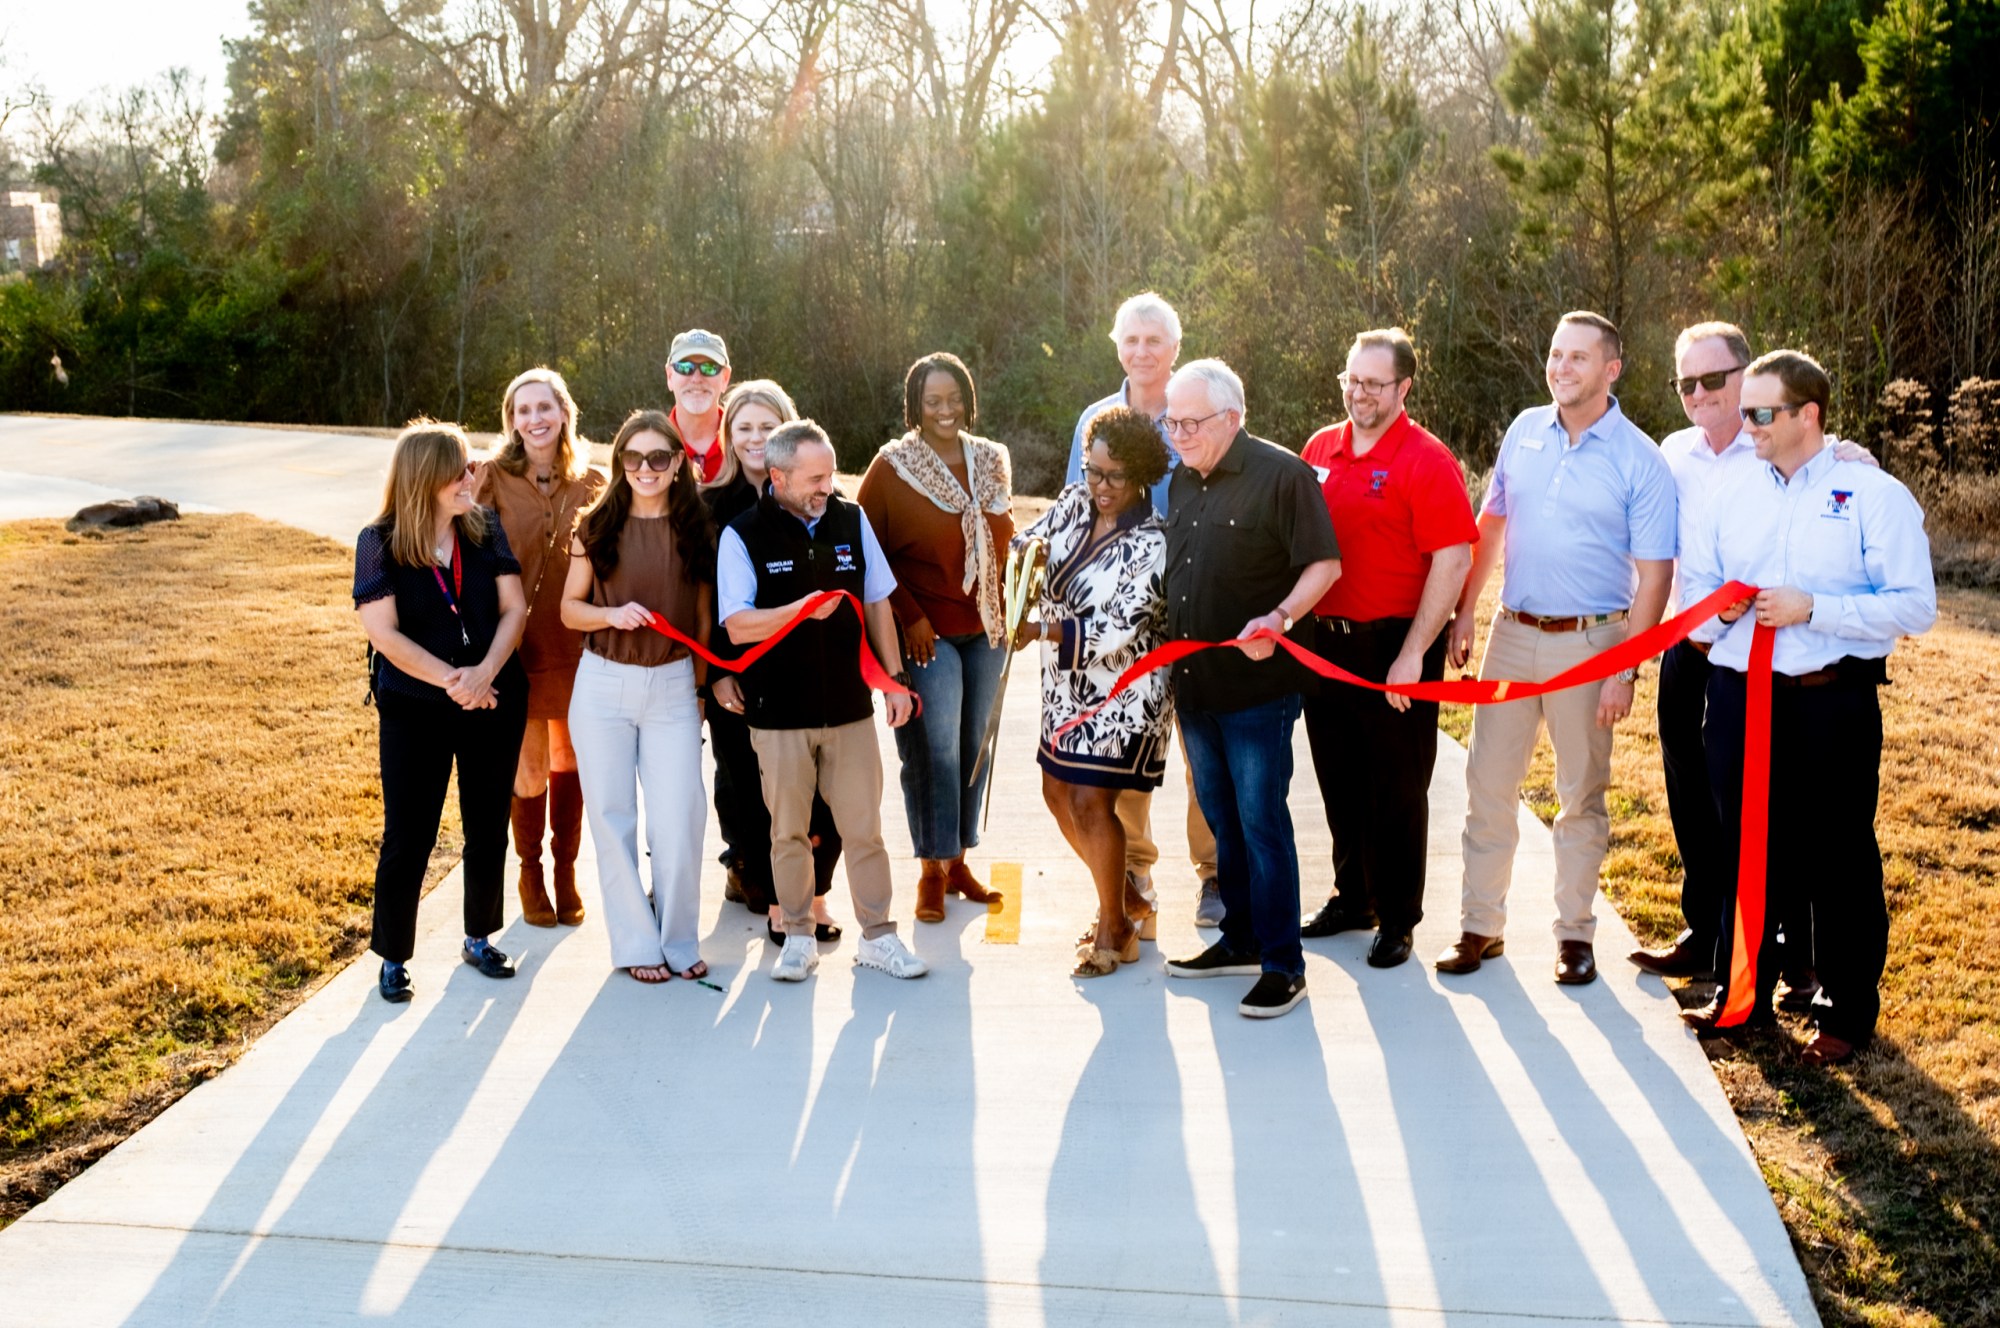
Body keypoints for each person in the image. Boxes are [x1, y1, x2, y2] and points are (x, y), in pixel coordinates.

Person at [1679, 350, 1935, 1064]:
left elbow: (1914, 605)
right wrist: (1717, 611)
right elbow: (1694, 590)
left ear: (1808, 415)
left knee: (1840, 857)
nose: (1746, 424)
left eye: (1761, 412)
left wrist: (1813, 608)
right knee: (1745, 849)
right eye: (1744, 411)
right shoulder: (1729, 494)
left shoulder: (1871, 494)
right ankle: (1740, 1000)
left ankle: (1844, 1014)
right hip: (1736, 698)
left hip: (1831, 703)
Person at [1630, 322, 1871, 997]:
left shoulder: (1783, 446)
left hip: (1771, 657)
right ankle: (1707, 930)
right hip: (1693, 645)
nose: (1701, 393)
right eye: (1687, 383)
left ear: (1747, 375)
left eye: (1715, 379)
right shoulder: (1673, 455)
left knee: (1779, 808)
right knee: (1695, 794)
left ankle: (1797, 952)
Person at [1439, 311, 1676, 986]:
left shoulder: (1641, 460)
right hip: (1514, 634)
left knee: (1580, 797)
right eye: (1555, 355)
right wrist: (1466, 612)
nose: (1561, 368)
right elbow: (1491, 525)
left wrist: (1626, 667)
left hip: (1593, 641)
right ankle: (1480, 926)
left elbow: (1656, 576)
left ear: (1611, 369)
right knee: (1487, 786)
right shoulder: (1523, 431)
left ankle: (1574, 936)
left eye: (1578, 358)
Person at [1158, 360, 1341, 1019]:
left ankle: (1282, 964)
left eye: (1191, 422)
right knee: (1221, 818)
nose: (1178, 434)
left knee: (1262, 822)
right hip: (1195, 690)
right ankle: (1237, 939)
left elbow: (1325, 562)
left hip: (1257, 691)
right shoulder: (1180, 479)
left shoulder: (1283, 476)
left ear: (1232, 419)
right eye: (1171, 422)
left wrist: (1282, 616)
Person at [719, 419, 930, 983]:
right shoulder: (741, 534)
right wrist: (797, 611)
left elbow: (879, 600)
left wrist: (893, 680)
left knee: (865, 829)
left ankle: (880, 939)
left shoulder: (851, 518)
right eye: (814, 478)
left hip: (850, 710)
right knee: (786, 832)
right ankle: (796, 936)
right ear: (778, 475)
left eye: (830, 474)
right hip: (778, 714)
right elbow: (737, 625)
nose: (826, 486)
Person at [1298, 329, 1477, 969]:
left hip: (1397, 645)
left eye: (1374, 383)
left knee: (1396, 788)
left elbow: (1453, 558)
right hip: (1326, 647)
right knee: (1339, 780)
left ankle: (1398, 916)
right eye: (1351, 379)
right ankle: (1354, 897)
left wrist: (1414, 651)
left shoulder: (1425, 460)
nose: (1359, 393)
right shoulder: (1321, 447)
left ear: (1403, 388)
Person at [353, 422, 528, 1004]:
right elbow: (384, 634)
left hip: (495, 697)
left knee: (486, 826)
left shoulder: (486, 528)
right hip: (415, 708)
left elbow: (514, 610)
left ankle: (479, 937)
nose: (472, 478)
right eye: (461, 470)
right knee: (410, 834)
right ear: (426, 478)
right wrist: (456, 682)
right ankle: (393, 956)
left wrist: (483, 676)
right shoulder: (377, 541)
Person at [1065, 292, 1220, 929]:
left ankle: (1214, 874)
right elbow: (1082, 505)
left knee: (1200, 746)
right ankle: (1133, 870)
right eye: (1131, 340)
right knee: (1123, 745)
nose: (1142, 351)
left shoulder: (1196, 410)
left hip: (1191, 597)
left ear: (1175, 348)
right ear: (1116, 345)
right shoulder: (1096, 419)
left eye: (1154, 340)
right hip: (1120, 606)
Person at [1014, 406, 1173, 976]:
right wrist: (1014, 569)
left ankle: (1114, 927)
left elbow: (1119, 625)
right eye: (1092, 470)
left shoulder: (1155, 542)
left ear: (1143, 475)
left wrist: (1041, 629)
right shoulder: (1072, 504)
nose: (1100, 487)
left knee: (1089, 800)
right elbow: (1030, 542)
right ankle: (1124, 898)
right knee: (1056, 793)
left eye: (1115, 476)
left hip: (1126, 691)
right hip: (1065, 684)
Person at [858, 352, 1014, 922]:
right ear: (915, 407)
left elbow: (1004, 535)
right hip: (926, 634)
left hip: (987, 630)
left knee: (976, 747)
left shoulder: (992, 460)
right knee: (935, 748)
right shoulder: (892, 467)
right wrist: (908, 614)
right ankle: (930, 866)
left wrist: (1014, 603)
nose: (944, 410)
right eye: (932, 401)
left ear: (967, 401)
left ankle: (958, 861)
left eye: (953, 399)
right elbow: (864, 553)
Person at [560, 411, 715, 983]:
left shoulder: (698, 528)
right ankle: (635, 945)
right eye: (633, 457)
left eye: (658, 458)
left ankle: (678, 939)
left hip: (674, 685)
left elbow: (701, 620)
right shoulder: (595, 527)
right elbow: (568, 609)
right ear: (619, 462)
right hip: (602, 685)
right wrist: (610, 614)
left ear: (678, 463)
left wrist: (698, 692)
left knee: (678, 819)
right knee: (613, 816)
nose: (645, 468)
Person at [700, 380, 845, 944]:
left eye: (767, 426)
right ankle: (761, 879)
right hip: (741, 669)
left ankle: (814, 891)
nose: (755, 438)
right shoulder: (712, 506)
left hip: (815, 672)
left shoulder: (824, 499)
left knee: (815, 787)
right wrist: (718, 671)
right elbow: (702, 598)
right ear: (728, 436)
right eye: (743, 428)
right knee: (744, 780)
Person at [476, 367, 607, 929]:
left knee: (570, 760)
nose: (535, 419)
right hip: (517, 644)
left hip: (577, 643)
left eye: (544, 408)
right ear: (511, 420)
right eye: (523, 410)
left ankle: (565, 871)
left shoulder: (594, 482)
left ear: (563, 414)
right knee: (528, 767)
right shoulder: (491, 480)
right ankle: (530, 874)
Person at [665, 328, 733, 485]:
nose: (696, 378)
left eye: (709, 368)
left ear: (725, 378)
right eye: (684, 367)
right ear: (669, 376)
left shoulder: (744, 445)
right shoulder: (650, 447)